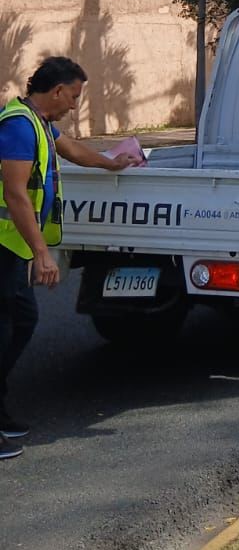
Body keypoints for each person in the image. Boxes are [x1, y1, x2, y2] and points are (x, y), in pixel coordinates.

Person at [0, 57, 139, 460]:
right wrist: (43, 254)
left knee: (22, 322)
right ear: (57, 91)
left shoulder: (38, 123)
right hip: (3, 247)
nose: (76, 105)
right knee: (5, 328)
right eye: (74, 97)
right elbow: (15, 194)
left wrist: (112, 162)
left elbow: (73, 149)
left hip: (11, 247)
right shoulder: (18, 127)